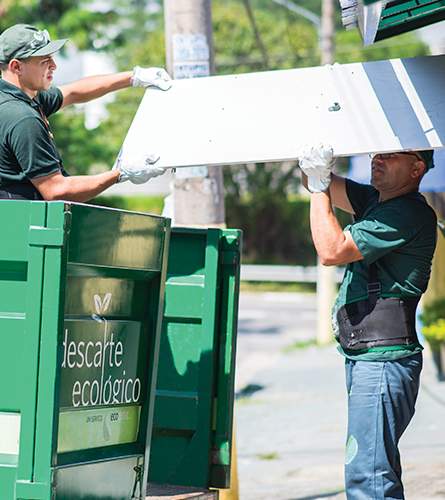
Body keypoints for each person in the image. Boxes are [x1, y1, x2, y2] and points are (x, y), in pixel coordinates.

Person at [298, 145, 437, 499]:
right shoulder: (377, 200)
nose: (378, 157)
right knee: (375, 468)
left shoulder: (405, 213)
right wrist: (314, 165)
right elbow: (316, 180)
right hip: (369, 356)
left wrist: (317, 185)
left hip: (383, 361)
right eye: (378, 151)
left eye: (391, 154)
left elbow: (331, 250)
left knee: (369, 475)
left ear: (415, 169)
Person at [0, 23, 172, 202]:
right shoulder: (22, 118)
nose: (54, 65)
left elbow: (74, 92)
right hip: (20, 224)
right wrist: (120, 174)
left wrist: (134, 77)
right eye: (44, 61)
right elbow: (56, 190)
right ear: (16, 67)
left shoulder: (21, 97)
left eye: (51, 57)